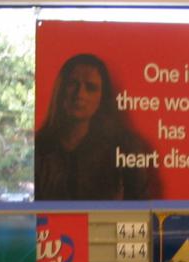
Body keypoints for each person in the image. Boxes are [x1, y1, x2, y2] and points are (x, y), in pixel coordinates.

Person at [35, 53, 160, 200]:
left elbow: (141, 210)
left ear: (102, 97)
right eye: (72, 84)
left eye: (91, 87)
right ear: (60, 90)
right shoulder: (38, 147)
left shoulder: (126, 147)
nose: (80, 94)